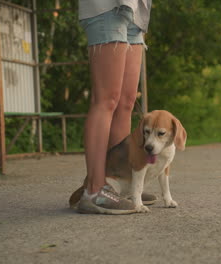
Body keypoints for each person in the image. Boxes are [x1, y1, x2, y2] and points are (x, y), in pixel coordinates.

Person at [77, 0, 153, 214]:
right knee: (106, 99)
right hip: (107, 7)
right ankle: (94, 190)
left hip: (135, 10)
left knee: (126, 102)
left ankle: (119, 183)